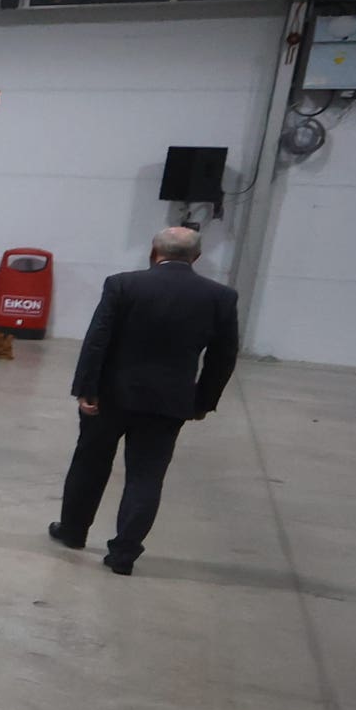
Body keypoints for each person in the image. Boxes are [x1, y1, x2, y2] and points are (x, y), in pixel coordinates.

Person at [51, 226, 239, 575]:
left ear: (153, 252)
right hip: (169, 402)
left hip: (110, 396)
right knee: (146, 475)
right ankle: (124, 553)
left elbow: (97, 340)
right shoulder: (220, 297)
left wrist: (86, 388)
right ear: (196, 258)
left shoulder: (123, 284)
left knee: (90, 462)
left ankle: (74, 531)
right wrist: (202, 402)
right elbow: (223, 357)